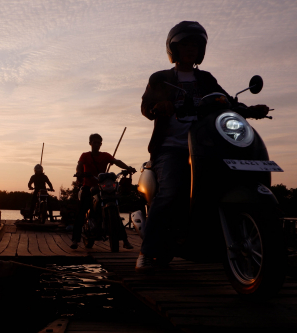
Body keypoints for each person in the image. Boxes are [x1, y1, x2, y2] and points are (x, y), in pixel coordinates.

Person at [136, 21, 270, 272]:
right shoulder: (161, 79)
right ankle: (148, 251)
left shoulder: (206, 79)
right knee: (170, 191)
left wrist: (249, 110)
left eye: (196, 45)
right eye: (186, 44)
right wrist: (157, 107)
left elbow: (225, 101)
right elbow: (146, 107)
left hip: (206, 146)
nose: (191, 49)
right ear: (174, 48)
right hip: (171, 147)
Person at [70, 133, 137, 249]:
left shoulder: (105, 155)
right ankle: (75, 240)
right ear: (90, 143)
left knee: (115, 211)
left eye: (98, 142)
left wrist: (127, 168)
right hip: (88, 187)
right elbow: (79, 165)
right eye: (94, 142)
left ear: (101, 144)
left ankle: (125, 240)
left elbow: (116, 161)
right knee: (81, 211)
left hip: (103, 187)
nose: (96, 144)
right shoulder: (85, 155)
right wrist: (79, 172)